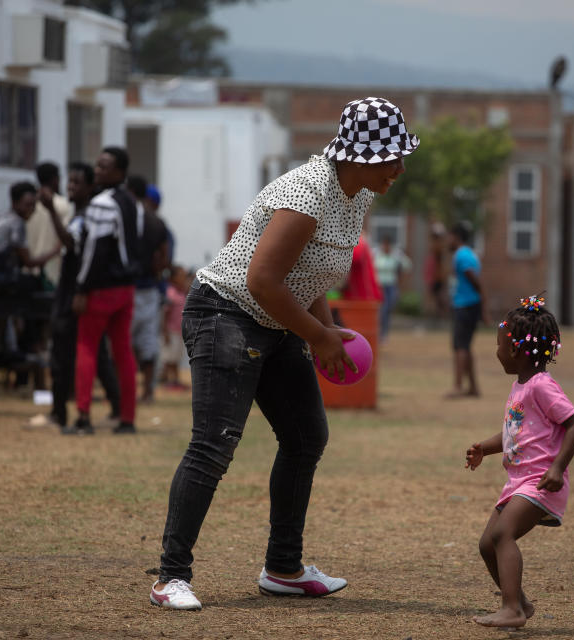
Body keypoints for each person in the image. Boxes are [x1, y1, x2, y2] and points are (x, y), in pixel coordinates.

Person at [150, 97, 418, 610]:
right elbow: (263, 279)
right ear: (358, 155)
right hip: (225, 313)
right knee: (215, 444)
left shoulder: (355, 193)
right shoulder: (308, 192)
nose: (400, 168)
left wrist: (328, 327)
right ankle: (171, 577)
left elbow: (310, 271)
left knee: (305, 436)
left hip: (276, 319)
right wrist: (316, 336)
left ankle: (283, 569)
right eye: (392, 156)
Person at [464, 295, 574, 629]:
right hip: (518, 482)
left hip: (541, 480)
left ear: (516, 350)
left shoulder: (542, 386)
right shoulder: (521, 387)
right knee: (487, 544)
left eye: (499, 345)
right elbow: (514, 435)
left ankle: (511, 609)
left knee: (504, 535)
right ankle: (521, 603)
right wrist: (483, 449)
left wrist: (558, 468)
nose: (497, 351)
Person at [28, 162, 122, 434]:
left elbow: (70, 243)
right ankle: (113, 407)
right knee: (94, 352)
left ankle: (61, 413)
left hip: (74, 292)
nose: (70, 187)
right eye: (69, 182)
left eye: (76, 183)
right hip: (77, 290)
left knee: (64, 352)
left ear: (90, 187)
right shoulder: (82, 212)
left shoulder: (86, 215)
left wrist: (51, 213)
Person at [72, 147, 141, 434]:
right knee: (123, 351)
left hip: (101, 288)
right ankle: (127, 418)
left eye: (104, 167)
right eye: (97, 165)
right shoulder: (131, 202)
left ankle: (84, 417)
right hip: (126, 287)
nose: (97, 171)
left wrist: (81, 287)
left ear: (120, 172)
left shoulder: (101, 203)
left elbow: (94, 250)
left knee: (87, 347)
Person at [126, 176, 170, 404]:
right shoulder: (158, 224)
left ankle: (126, 392)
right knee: (148, 343)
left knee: (125, 342)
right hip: (150, 290)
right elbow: (164, 260)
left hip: (127, 287)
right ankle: (147, 393)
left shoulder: (125, 219)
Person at [0, 182, 56, 292]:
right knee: (36, 284)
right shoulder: (17, 223)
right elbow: (29, 262)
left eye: (34, 205)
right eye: (28, 205)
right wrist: (55, 251)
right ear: (15, 203)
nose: (33, 210)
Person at [447, 220, 486, 398]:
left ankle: (457, 386)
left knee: (460, 346)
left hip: (466, 305)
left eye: (450, 236)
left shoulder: (461, 255)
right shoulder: (470, 254)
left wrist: (484, 308)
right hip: (470, 304)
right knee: (466, 346)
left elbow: (476, 282)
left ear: (456, 237)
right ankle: (473, 388)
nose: (449, 240)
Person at [25, 162, 70, 286]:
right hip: (53, 272)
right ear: (55, 179)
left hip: (28, 271)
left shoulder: (27, 204)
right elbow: (67, 238)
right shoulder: (63, 204)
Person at [373, 234, 411, 340]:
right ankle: (380, 333)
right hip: (380, 286)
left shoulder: (396, 254)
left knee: (389, 309)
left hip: (391, 285)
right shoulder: (376, 253)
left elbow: (407, 265)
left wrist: (402, 282)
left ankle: (384, 332)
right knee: (383, 310)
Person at [160, 265, 189, 390]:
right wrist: (165, 332)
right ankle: (167, 379)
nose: (184, 279)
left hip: (179, 331)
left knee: (176, 357)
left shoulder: (183, 293)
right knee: (169, 357)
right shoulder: (170, 294)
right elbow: (165, 314)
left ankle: (175, 380)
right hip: (171, 331)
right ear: (172, 279)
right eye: (181, 276)